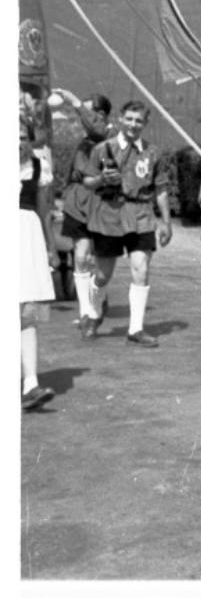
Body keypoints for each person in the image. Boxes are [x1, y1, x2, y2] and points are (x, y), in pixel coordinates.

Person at [82, 100, 173, 347]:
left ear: (145, 123)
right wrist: (102, 179)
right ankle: (93, 312)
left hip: (141, 214)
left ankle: (136, 329)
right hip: (108, 214)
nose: (133, 124)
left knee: (140, 268)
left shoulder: (152, 153)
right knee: (103, 274)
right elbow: (87, 182)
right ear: (121, 119)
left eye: (139, 121)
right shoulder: (103, 149)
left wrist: (166, 222)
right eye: (130, 119)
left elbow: (161, 189)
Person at [49, 88, 112, 338]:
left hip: (101, 204)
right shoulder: (85, 139)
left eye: (87, 110)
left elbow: (97, 131)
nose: (81, 115)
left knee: (102, 264)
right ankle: (86, 311)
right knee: (81, 255)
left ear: (101, 114)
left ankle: (98, 300)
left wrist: (75, 101)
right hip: (77, 202)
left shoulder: (109, 135)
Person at [20, 88, 58, 410]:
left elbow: (45, 211)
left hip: (27, 236)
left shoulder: (37, 166)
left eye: (22, 136)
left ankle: (30, 384)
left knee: (26, 312)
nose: (17, 141)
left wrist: (50, 248)